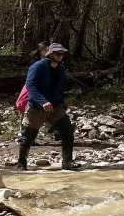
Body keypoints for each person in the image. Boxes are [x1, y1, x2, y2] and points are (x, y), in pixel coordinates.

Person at [17, 43, 80, 171]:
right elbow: (30, 85)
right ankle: (21, 164)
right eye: (57, 53)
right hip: (37, 108)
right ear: (50, 54)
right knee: (27, 137)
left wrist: (62, 103)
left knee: (67, 132)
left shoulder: (61, 69)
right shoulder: (38, 66)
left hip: (56, 107)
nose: (60, 56)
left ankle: (67, 162)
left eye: (62, 54)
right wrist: (42, 101)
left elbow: (60, 88)